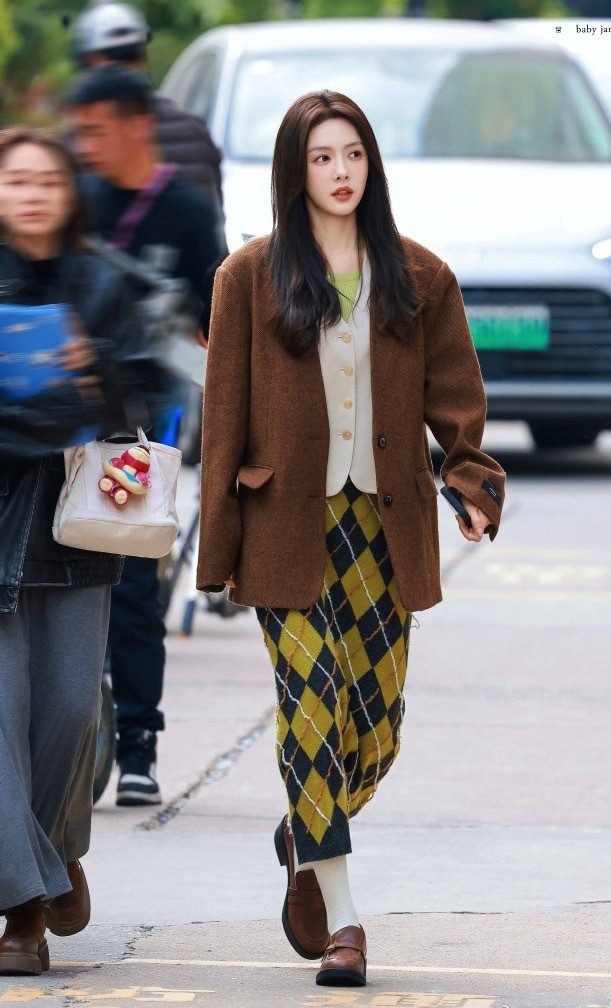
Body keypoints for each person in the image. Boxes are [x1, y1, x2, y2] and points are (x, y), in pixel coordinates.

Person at [197, 91, 506, 988]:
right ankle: (345, 920)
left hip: (382, 525)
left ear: (372, 164)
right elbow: (223, 422)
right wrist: (219, 546)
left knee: (375, 731)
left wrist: (471, 484)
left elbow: (458, 400)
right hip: (281, 527)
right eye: (322, 157)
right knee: (311, 702)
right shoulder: (247, 276)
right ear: (294, 171)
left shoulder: (420, 275)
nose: (341, 172)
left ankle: (306, 830)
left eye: (354, 154)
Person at [0, 127, 157, 975]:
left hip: (78, 532)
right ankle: (24, 912)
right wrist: (55, 408)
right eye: (15, 180)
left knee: (68, 714)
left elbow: (142, 399)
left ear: (68, 195)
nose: (30, 194)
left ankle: (55, 856)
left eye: (46, 180)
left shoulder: (103, 284)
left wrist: (89, 374)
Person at [66, 64, 226, 807]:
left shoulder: (186, 213)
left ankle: (138, 745)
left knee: (132, 583)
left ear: (137, 126)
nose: (86, 145)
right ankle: (75, 740)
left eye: (97, 130)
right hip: (67, 422)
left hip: (139, 428)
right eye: (79, 132)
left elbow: (215, 318)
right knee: (63, 582)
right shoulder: (78, 199)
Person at [69, 0, 225, 228]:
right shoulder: (192, 128)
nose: (88, 147)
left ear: (92, 61)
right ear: (142, 57)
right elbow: (214, 220)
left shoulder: (78, 138)